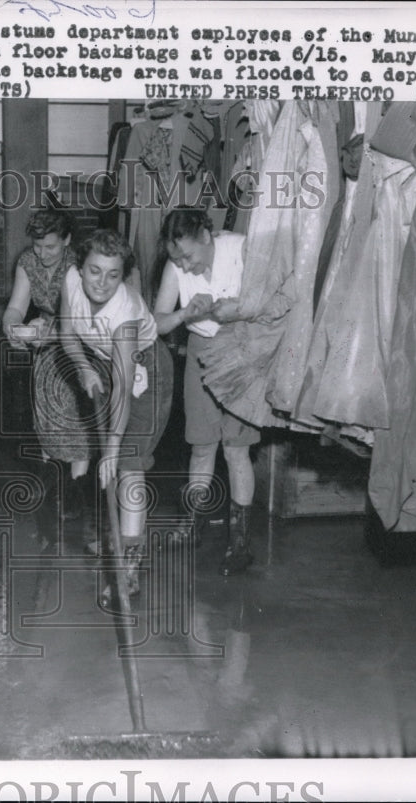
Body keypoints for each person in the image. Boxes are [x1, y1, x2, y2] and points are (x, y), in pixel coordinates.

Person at [59, 229, 174, 605]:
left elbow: (125, 388)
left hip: (146, 373)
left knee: (127, 466)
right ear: (80, 267)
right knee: (119, 463)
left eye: (113, 274)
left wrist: (110, 448)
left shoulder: (123, 315)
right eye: (95, 271)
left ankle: (129, 570)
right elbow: (66, 333)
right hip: (106, 367)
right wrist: (82, 367)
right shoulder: (71, 281)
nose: (102, 282)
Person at [153, 208, 261, 575]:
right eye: (176, 257)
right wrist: (185, 316)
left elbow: (266, 303)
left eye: (188, 255)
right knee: (201, 446)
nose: (184, 264)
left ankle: (240, 541)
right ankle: (193, 523)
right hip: (200, 351)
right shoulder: (176, 268)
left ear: (205, 236)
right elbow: (157, 321)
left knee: (236, 449)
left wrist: (225, 310)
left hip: (242, 350)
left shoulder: (241, 249)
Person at [1, 209, 95, 549]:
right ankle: (53, 499)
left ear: (67, 240)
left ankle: (77, 501)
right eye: (38, 245)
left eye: (50, 246)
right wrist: (13, 327)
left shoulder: (82, 264)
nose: (43, 253)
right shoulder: (27, 261)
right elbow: (15, 306)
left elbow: (88, 320)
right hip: (44, 352)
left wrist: (53, 331)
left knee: (78, 427)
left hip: (79, 350)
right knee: (47, 426)